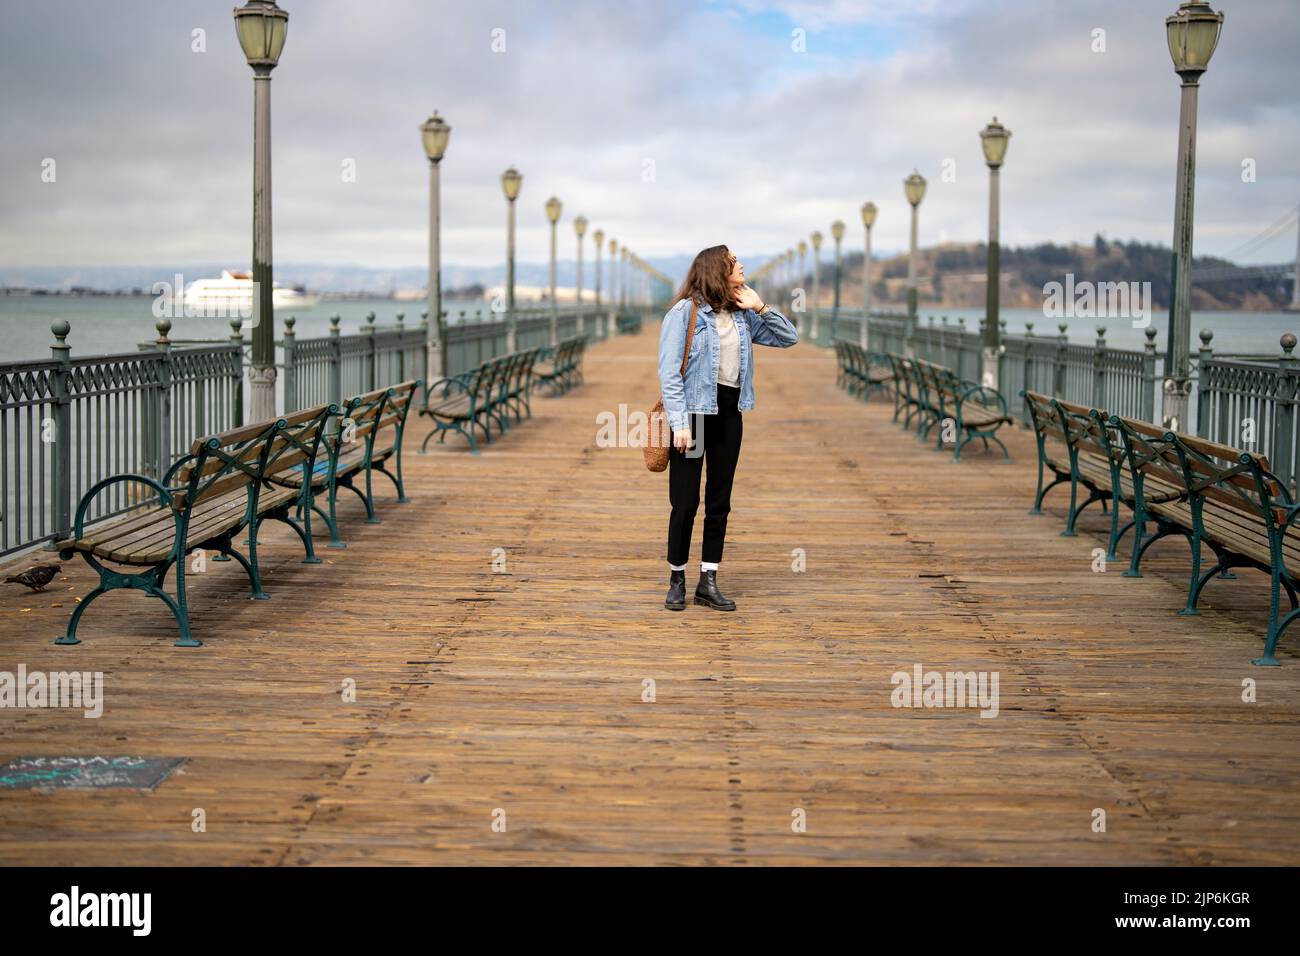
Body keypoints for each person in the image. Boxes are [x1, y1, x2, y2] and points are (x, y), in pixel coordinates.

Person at [657, 245, 798, 611]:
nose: (742, 267)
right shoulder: (683, 313)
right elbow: (669, 373)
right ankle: (677, 578)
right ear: (718, 271)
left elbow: (789, 337)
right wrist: (680, 423)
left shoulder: (742, 316)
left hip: (729, 414)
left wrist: (760, 307)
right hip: (693, 416)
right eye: (735, 263)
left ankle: (708, 580)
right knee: (685, 502)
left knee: (720, 502)